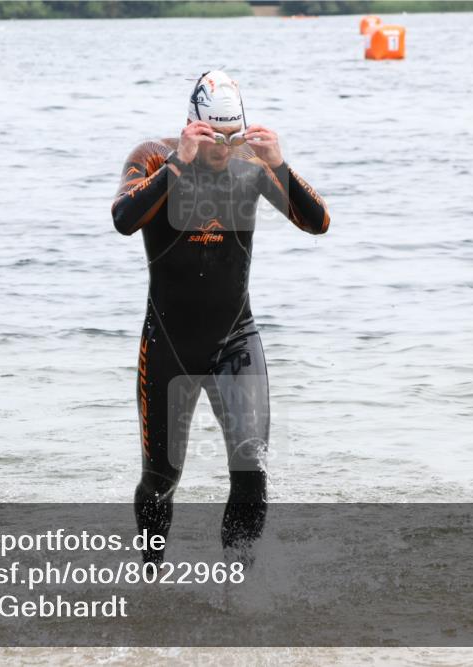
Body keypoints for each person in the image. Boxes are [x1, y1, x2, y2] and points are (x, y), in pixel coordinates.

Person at [111, 70, 330, 565]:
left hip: (236, 340)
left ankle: (239, 589)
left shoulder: (252, 162)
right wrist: (176, 166)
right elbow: (124, 220)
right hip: (169, 344)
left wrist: (280, 163)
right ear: (192, 125)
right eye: (214, 135)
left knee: (251, 467)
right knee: (161, 480)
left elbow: (318, 223)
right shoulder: (152, 155)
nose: (224, 147)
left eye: (234, 135)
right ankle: (152, 576)